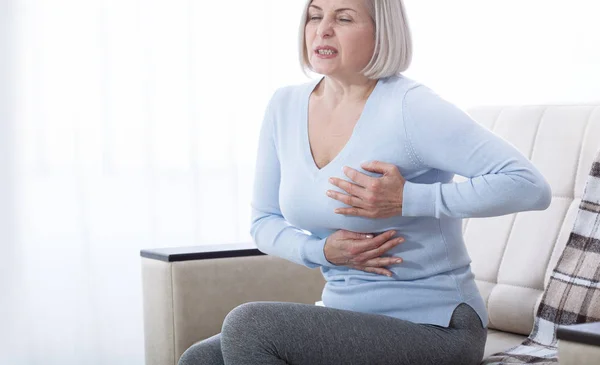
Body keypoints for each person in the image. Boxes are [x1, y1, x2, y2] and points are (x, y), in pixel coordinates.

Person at [179, 0, 552, 364]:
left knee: (250, 325)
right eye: (314, 16)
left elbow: (528, 185)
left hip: (437, 327)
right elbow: (264, 222)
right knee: (201, 358)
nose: (322, 29)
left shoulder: (410, 107)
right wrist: (322, 251)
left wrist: (407, 199)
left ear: (381, 33)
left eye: (343, 18)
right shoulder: (285, 106)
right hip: (348, 314)